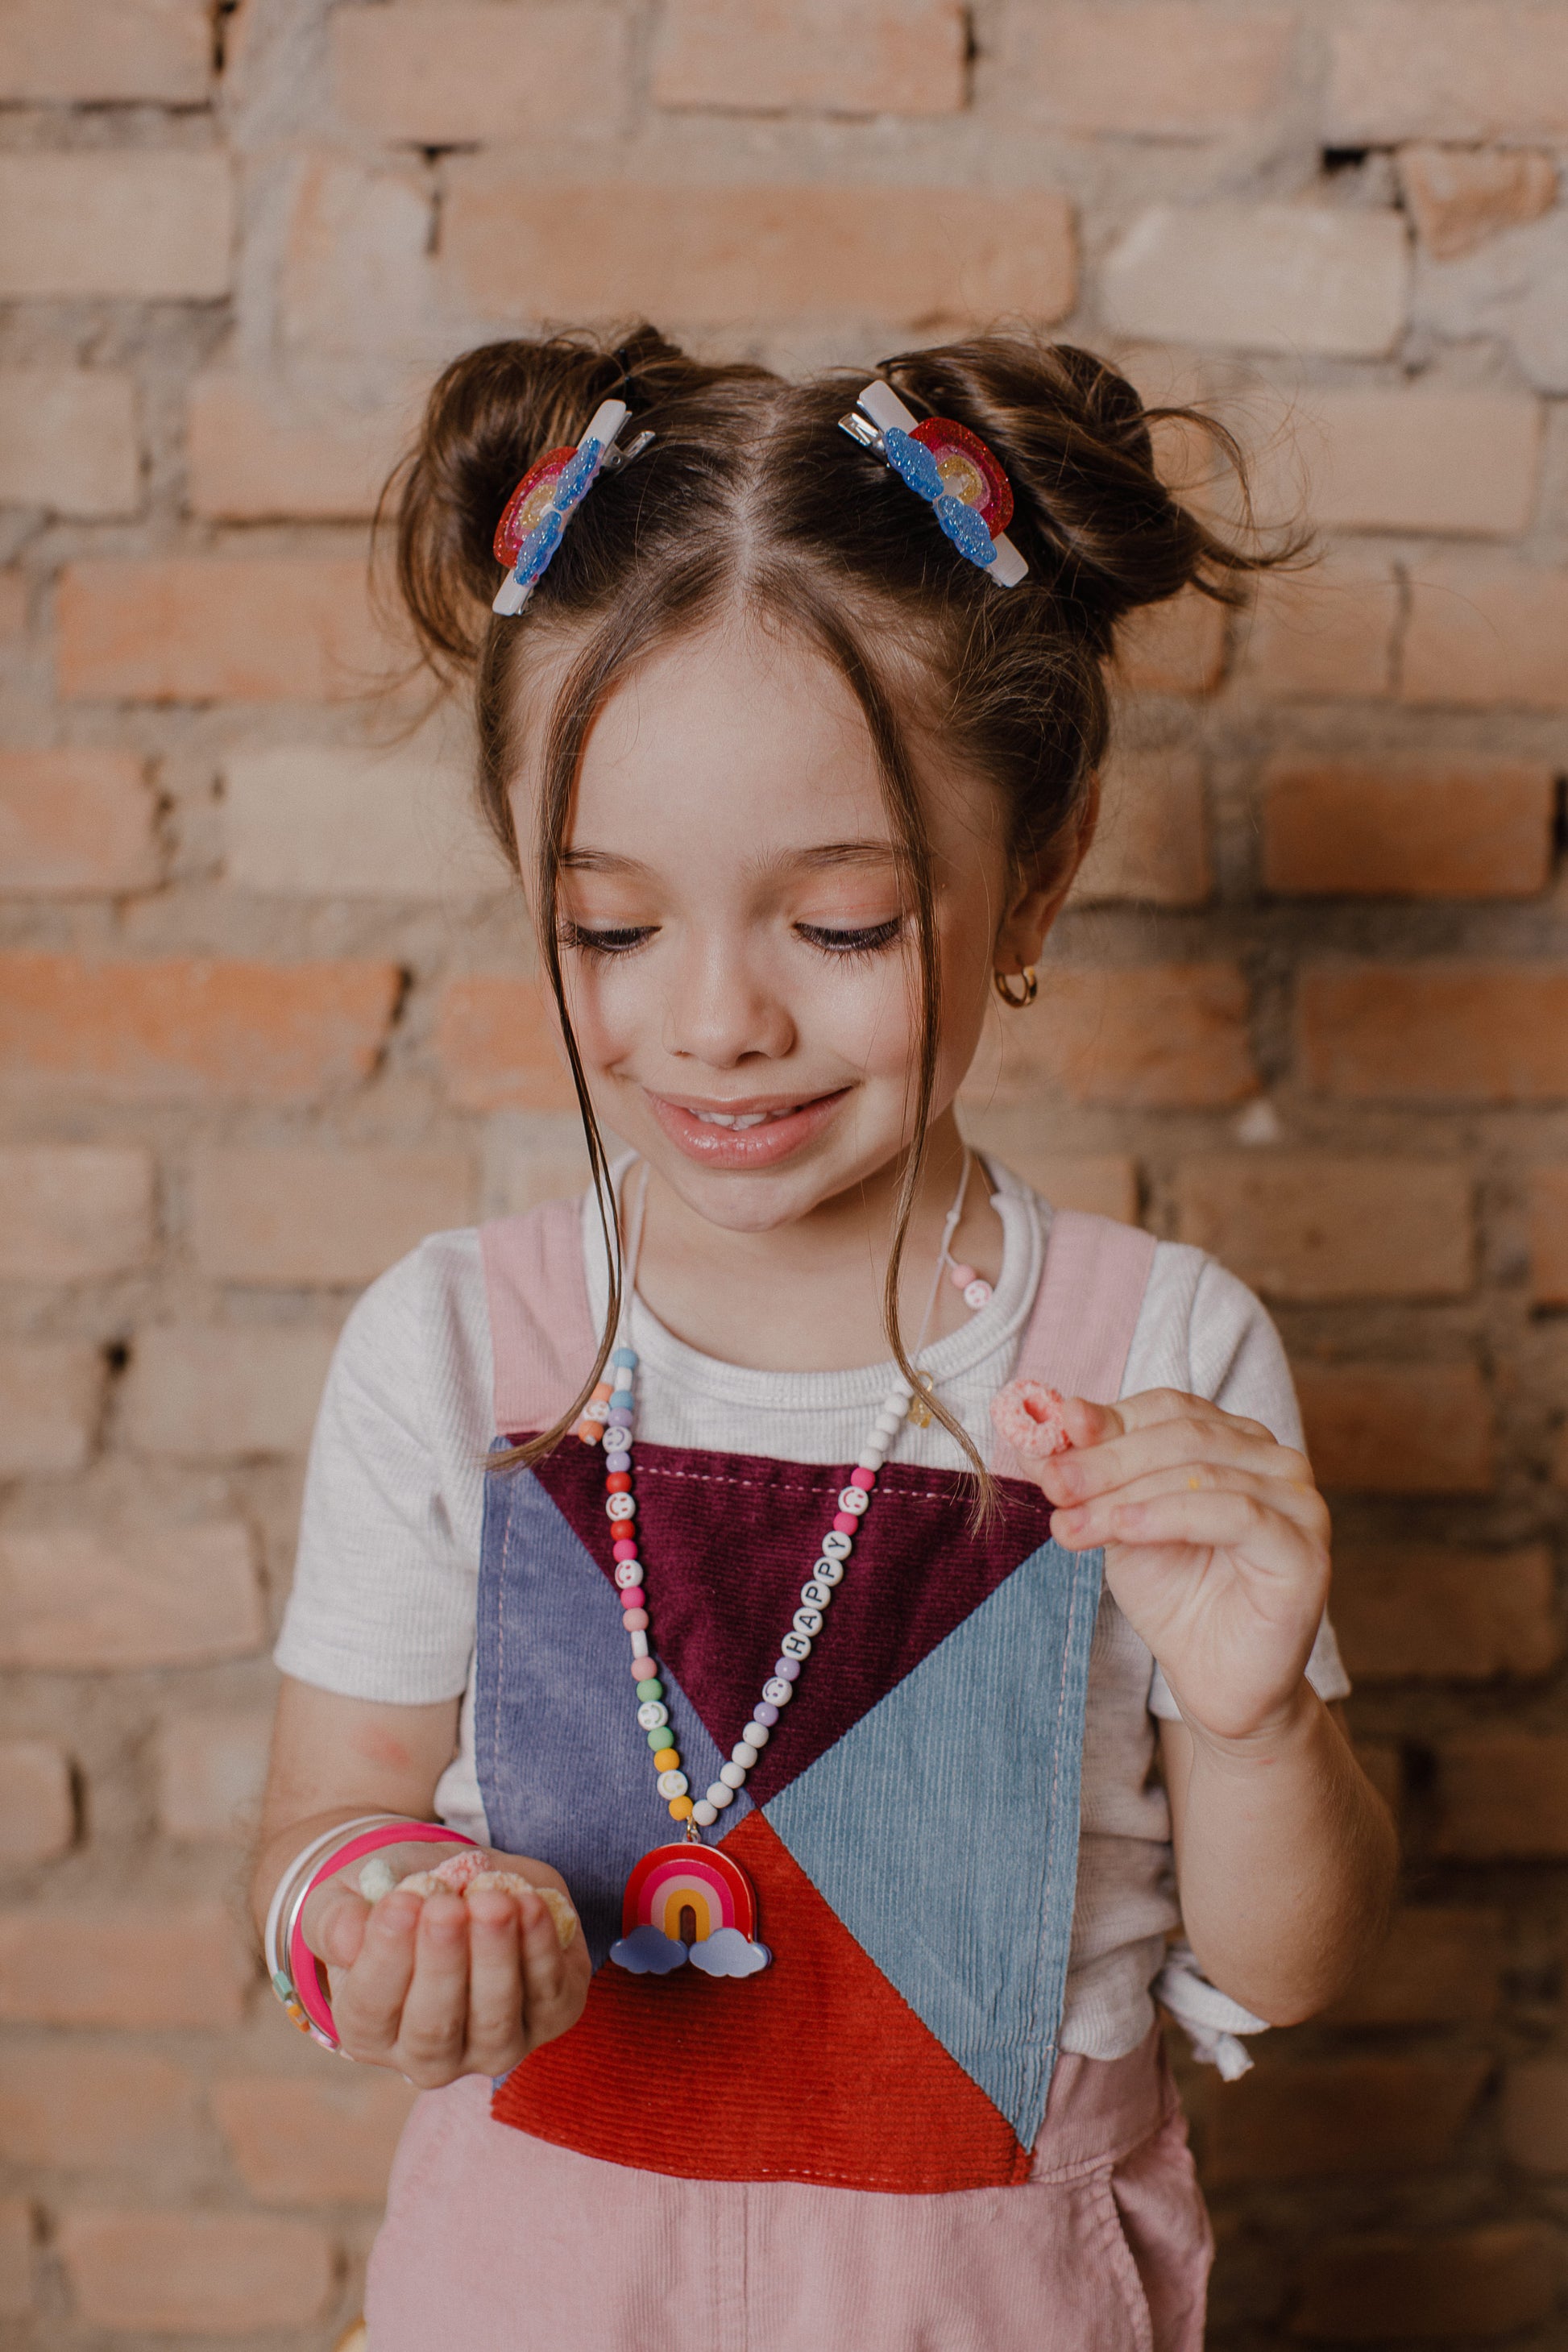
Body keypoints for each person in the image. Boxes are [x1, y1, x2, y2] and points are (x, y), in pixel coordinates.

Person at [251, 326, 1396, 2350]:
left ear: (1035, 875)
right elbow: (319, 1820)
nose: (714, 1022)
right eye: (609, 926)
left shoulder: (1160, 1352)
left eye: (841, 925)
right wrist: (380, 1914)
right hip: (526, 2294)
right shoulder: (455, 1342)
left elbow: (1291, 1963)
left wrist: (1257, 1721)